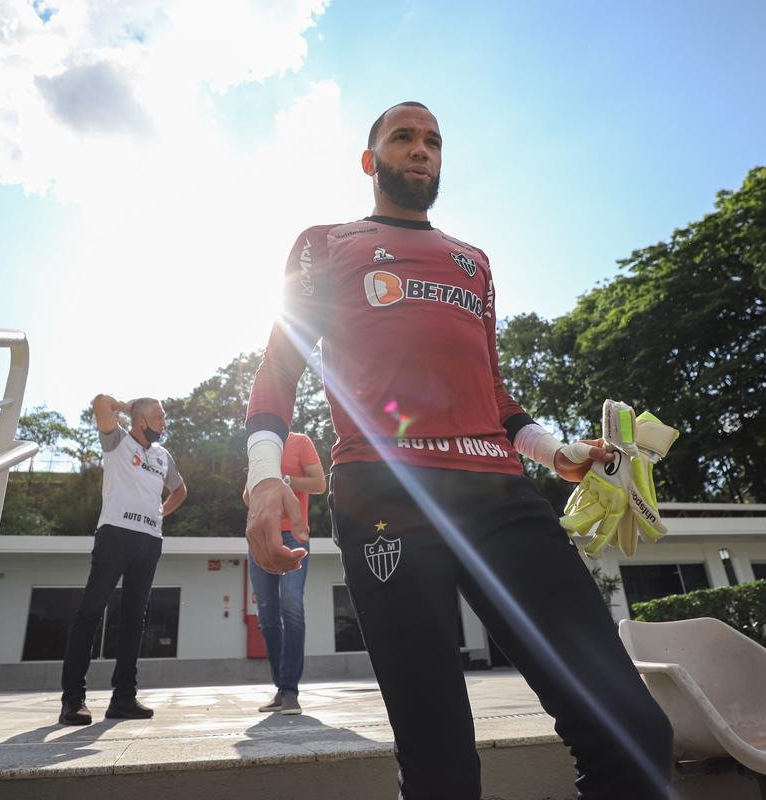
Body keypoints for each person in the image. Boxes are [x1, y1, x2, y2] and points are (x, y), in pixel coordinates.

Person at [243, 102, 673, 799]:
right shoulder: (324, 242)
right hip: (383, 494)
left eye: (432, 141)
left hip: (499, 496)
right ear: (370, 159)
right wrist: (264, 480)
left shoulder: (473, 261)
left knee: (635, 733)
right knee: (440, 764)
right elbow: (276, 370)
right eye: (403, 137)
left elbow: (494, 393)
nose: (420, 150)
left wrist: (553, 452)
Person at [59, 395, 187, 725]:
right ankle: (73, 700)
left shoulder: (163, 456)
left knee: (134, 618)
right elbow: (100, 403)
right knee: (90, 612)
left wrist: (162, 511)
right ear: (140, 420)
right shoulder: (117, 441)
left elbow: (180, 490)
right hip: (115, 534)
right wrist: (128, 407)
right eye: (158, 416)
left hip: (150, 541)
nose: (164, 422)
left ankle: (124, 698)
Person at [242, 432, 325, 715]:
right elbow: (247, 495)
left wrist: (283, 481)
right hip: (264, 536)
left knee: (291, 606)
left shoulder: (300, 442)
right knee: (266, 616)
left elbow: (319, 483)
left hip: (293, 537)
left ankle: (291, 690)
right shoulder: (260, 448)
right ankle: (280, 687)